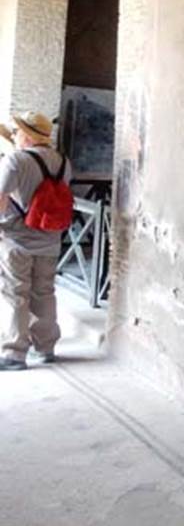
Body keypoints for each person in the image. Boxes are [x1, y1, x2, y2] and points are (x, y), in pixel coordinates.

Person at [0, 112, 72, 371]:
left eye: (18, 131)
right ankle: (45, 348)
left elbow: (1, 197)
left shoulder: (16, 160)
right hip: (50, 239)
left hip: (17, 239)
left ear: (28, 136)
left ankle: (14, 353)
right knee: (44, 292)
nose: (15, 135)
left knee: (15, 292)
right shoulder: (63, 161)